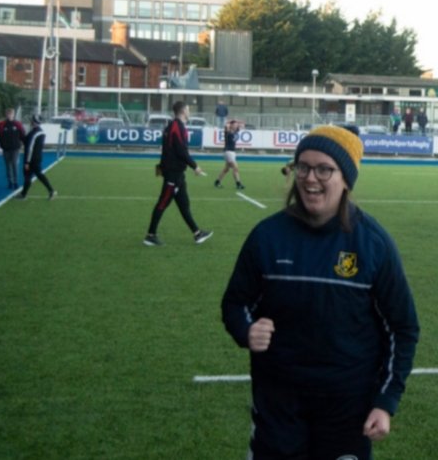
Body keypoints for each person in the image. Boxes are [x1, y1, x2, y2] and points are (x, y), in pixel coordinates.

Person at [221, 125, 419, 460]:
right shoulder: (266, 237)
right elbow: (235, 302)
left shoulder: (373, 244)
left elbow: (402, 327)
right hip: (278, 403)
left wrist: (386, 402)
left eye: (324, 169)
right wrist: (246, 329)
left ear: (346, 179)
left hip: (347, 408)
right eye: (303, 167)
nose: (311, 179)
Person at [143, 101, 212, 246]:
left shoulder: (175, 126)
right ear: (183, 111)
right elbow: (181, 150)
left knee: (184, 204)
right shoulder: (176, 126)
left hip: (177, 173)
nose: (189, 111)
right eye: (188, 109)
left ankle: (197, 234)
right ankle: (150, 235)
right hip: (173, 173)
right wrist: (195, 166)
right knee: (163, 203)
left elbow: (170, 149)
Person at [16, 114, 56, 200]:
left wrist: (27, 162)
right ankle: (23, 194)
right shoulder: (38, 131)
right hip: (36, 158)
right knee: (33, 175)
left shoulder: (34, 133)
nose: (31, 122)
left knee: (32, 176)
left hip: (32, 159)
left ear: (34, 122)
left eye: (32, 120)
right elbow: (26, 141)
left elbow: (30, 147)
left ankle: (51, 191)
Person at [0, 107, 25, 190]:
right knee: (8, 166)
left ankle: (15, 182)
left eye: (11, 114)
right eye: (8, 114)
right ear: (6, 115)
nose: (9, 115)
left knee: (14, 164)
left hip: (15, 148)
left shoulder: (18, 124)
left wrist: (24, 144)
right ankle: (10, 182)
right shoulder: (2, 124)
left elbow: (23, 134)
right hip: (6, 149)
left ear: (13, 115)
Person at [214, 119, 245, 190]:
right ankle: (238, 184)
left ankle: (217, 182)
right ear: (231, 125)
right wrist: (228, 124)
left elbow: (242, 125)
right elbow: (226, 126)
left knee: (226, 169)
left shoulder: (235, 131)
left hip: (232, 152)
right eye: (234, 124)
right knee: (235, 168)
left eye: (236, 124)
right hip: (228, 152)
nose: (236, 125)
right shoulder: (227, 132)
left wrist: (239, 124)